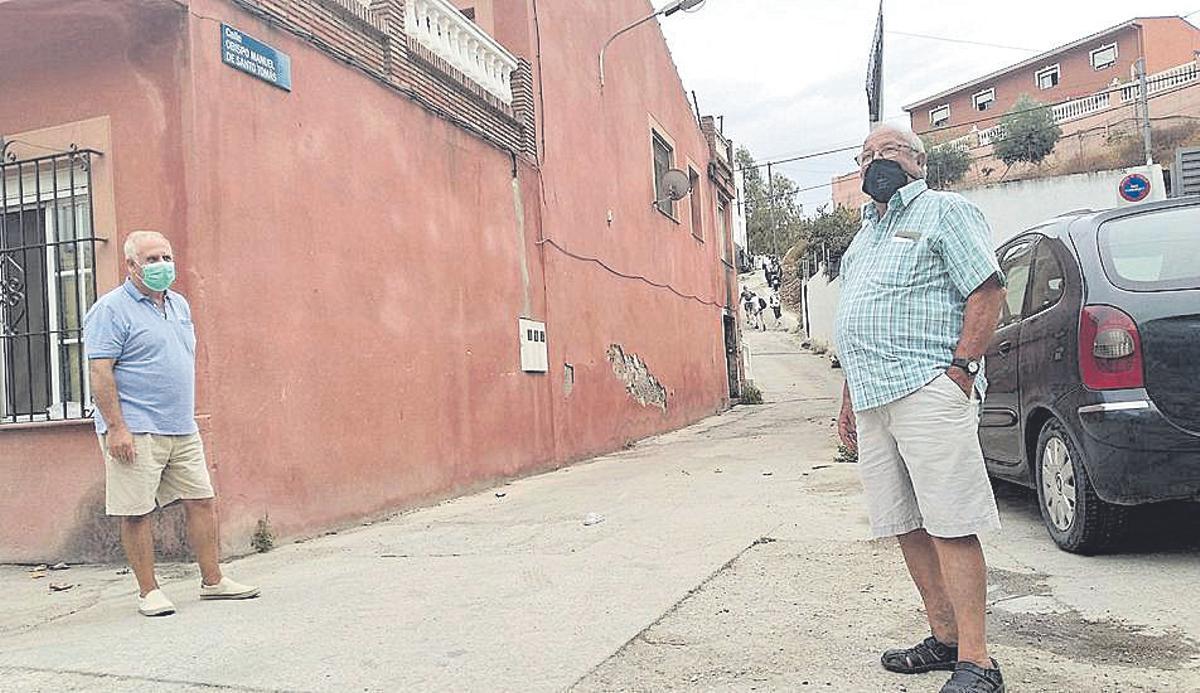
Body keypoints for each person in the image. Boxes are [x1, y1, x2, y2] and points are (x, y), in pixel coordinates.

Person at [834, 126, 1008, 693]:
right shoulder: (864, 237)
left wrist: (961, 369)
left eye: (887, 151)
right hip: (873, 396)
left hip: (927, 387)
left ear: (918, 161)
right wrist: (848, 395)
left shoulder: (944, 211)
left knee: (951, 521)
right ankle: (945, 638)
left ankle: (978, 662)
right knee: (903, 521)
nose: (874, 161)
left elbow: (986, 289)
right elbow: (855, 320)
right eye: (864, 157)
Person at [83, 230, 259, 617]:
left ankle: (213, 581)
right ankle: (149, 592)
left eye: (166, 257)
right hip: (135, 427)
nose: (162, 266)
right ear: (130, 266)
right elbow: (100, 371)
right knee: (137, 509)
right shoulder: (111, 309)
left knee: (201, 499)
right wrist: (116, 427)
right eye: (151, 260)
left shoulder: (178, 304)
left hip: (180, 424)